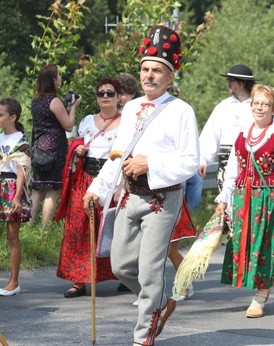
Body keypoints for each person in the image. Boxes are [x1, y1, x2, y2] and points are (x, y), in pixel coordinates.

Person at [83, 25, 198, 344]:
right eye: (145, 69)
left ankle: (143, 334)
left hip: (163, 200)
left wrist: (151, 163)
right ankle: (159, 304)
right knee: (120, 265)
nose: (149, 75)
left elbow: (189, 162)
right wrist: (97, 189)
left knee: (149, 270)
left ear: (170, 77)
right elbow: (117, 154)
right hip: (130, 196)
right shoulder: (131, 108)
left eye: (157, 70)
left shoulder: (181, 111)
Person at [216, 84, 274, 318]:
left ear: (273, 108)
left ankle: (261, 296)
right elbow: (233, 169)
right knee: (244, 243)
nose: (260, 108)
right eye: (256, 103)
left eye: (265, 104)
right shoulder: (242, 134)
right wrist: (224, 198)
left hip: (269, 197)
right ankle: (253, 286)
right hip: (244, 198)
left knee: (266, 244)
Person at [55, 77, 123, 298]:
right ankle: (79, 280)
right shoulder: (86, 121)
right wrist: (78, 150)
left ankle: (122, 274)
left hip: (112, 180)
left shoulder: (126, 123)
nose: (105, 96)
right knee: (78, 227)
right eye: (101, 93)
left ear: (119, 97)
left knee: (111, 229)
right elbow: (73, 143)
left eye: (110, 93)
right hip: (85, 179)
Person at [199, 64, 274, 190]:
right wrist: (203, 159)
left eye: (231, 81)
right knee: (227, 203)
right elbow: (210, 134)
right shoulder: (223, 106)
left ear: (242, 83)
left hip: (255, 158)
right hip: (226, 159)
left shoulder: (260, 106)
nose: (228, 84)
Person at [30, 64, 82, 227]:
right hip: (54, 149)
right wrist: (73, 107)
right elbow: (68, 125)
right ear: (53, 80)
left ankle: (28, 225)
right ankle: (43, 230)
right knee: (53, 190)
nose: (60, 79)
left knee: (37, 189)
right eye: (58, 76)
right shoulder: (54, 101)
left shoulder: (36, 101)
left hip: (39, 148)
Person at [0, 98, 31, 297]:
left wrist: (18, 197)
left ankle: (14, 281)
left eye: (1, 114)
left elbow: (22, 169)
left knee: (12, 236)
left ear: (12, 117)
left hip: (11, 188)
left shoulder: (21, 140)